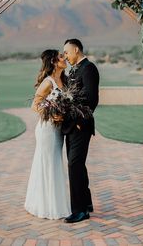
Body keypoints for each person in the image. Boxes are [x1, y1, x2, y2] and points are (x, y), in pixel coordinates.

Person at [24, 49, 71, 219]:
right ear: (53, 61)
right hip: (47, 130)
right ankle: (47, 205)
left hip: (58, 131)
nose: (64, 58)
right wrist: (52, 114)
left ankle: (53, 201)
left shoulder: (64, 80)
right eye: (60, 56)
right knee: (48, 164)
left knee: (55, 164)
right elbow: (35, 105)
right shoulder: (48, 82)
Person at [62, 39, 99, 223]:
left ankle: (80, 210)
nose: (66, 56)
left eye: (67, 52)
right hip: (70, 127)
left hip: (81, 126)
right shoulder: (73, 70)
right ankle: (87, 201)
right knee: (77, 164)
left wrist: (78, 122)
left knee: (74, 165)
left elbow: (92, 99)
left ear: (76, 49)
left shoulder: (89, 68)